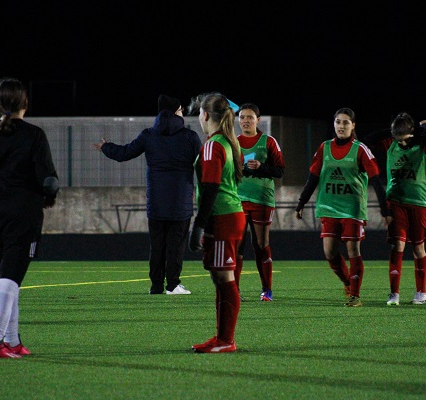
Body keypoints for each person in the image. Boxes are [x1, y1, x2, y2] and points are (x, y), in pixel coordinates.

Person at [0, 77, 59, 358]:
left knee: (8, 278)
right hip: (23, 214)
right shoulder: (33, 135)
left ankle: (11, 340)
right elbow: (48, 180)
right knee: (10, 277)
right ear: (25, 103)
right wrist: (48, 194)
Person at [93, 94, 201, 295]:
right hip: (181, 200)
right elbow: (203, 164)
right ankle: (173, 285)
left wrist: (107, 147)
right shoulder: (190, 136)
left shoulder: (148, 135)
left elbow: (125, 153)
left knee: (157, 245)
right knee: (176, 245)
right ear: (175, 112)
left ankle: (156, 285)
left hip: (156, 202)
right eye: (180, 110)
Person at [294, 108, 390, 307]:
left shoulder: (360, 149)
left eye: (346, 122)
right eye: (338, 122)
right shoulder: (324, 147)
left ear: (353, 125)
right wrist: (301, 202)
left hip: (352, 209)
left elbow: (375, 180)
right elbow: (313, 177)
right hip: (329, 206)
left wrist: (384, 209)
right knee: (329, 252)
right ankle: (348, 282)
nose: (341, 126)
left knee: (353, 249)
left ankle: (355, 295)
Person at [362, 112, 426, 306]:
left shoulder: (423, 145)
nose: (402, 143)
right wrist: (393, 131)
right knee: (397, 245)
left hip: (419, 202)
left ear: (412, 132)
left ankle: (421, 292)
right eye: (398, 138)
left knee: (418, 247)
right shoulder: (391, 144)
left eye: (404, 138)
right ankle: (394, 294)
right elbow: (367, 141)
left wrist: (421, 127)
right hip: (396, 202)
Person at [187, 92, 245, 353]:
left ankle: (225, 340)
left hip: (223, 218)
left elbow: (210, 187)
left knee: (224, 278)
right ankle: (222, 338)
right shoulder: (227, 142)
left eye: (200, 113)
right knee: (220, 278)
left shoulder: (213, 145)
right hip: (226, 216)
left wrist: (198, 225)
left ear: (206, 115)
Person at [235, 103, 285, 302]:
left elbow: (280, 170)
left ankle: (267, 290)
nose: (245, 121)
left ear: (258, 119)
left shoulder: (268, 142)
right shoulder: (233, 142)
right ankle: (234, 290)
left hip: (262, 200)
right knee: (237, 246)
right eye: (242, 117)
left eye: (249, 117)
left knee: (261, 244)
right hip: (238, 200)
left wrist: (261, 167)